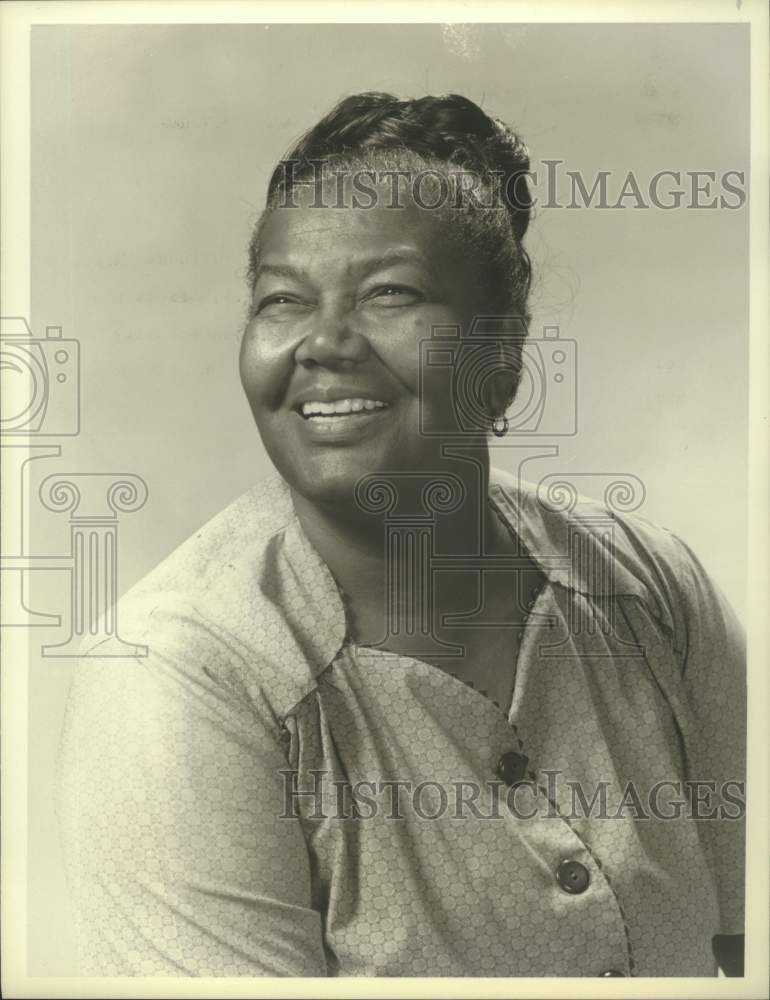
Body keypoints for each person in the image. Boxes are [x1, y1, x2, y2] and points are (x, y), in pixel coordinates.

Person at [57, 92, 746, 978]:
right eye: (282, 300)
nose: (323, 342)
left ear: (503, 355)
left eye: (389, 293)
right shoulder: (183, 679)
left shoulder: (650, 591)